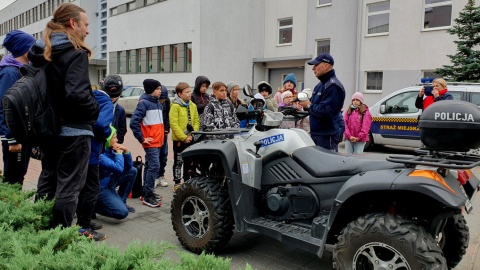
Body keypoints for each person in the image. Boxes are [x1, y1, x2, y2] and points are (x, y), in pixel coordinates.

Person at [28, 3, 100, 230]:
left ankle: (40, 233)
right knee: (69, 188)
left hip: (48, 132)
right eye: (86, 25)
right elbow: (77, 95)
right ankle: (59, 242)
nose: (87, 31)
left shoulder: (42, 54)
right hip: (74, 133)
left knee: (48, 182)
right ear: (72, 23)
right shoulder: (75, 54)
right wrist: (95, 111)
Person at [75, 76, 114, 241]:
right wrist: (108, 133)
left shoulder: (91, 95)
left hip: (82, 148)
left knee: (84, 189)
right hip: (91, 152)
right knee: (92, 189)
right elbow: (100, 125)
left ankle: (85, 222)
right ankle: (83, 228)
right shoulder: (106, 101)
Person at [0, 30, 36, 186]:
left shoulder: (22, 71)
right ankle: (10, 209)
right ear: (24, 49)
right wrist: (12, 139)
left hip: (22, 136)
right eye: (32, 47)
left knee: (19, 175)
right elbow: (5, 107)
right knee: (13, 179)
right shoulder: (10, 73)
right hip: (15, 138)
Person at [299, 53, 345, 152]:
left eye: (316, 65)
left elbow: (325, 111)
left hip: (327, 136)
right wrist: (305, 105)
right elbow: (313, 105)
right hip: (317, 134)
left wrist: (308, 105)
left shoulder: (333, 86)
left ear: (326, 66)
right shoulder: (320, 85)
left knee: (327, 166)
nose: (313, 68)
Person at [130, 79, 164, 208]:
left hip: (157, 141)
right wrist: (142, 138)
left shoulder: (158, 104)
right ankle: (148, 195)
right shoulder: (144, 104)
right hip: (151, 142)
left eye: (160, 89)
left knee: (150, 166)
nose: (160, 91)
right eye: (157, 89)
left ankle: (146, 192)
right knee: (155, 166)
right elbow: (134, 122)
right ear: (150, 90)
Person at [95, 127, 137, 219]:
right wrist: (118, 154)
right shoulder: (100, 154)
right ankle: (94, 208)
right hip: (102, 188)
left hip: (109, 181)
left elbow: (128, 167)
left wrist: (126, 152)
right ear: (107, 139)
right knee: (122, 213)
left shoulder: (110, 149)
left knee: (132, 171)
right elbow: (118, 168)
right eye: (114, 137)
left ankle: (122, 201)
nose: (117, 140)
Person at [170, 82, 200, 192]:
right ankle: (177, 182)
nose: (189, 94)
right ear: (179, 94)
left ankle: (187, 180)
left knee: (189, 161)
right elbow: (174, 124)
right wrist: (183, 137)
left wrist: (193, 134)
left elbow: (196, 121)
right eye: (186, 92)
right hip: (179, 140)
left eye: (190, 91)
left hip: (191, 138)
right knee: (178, 162)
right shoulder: (175, 106)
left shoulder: (193, 105)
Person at [103, 74, 127, 144]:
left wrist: (117, 141)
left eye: (115, 96)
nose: (113, 98)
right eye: (110, 96)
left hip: (113, 144)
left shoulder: (120, 110)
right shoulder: (98, 106)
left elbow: (122, 129)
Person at [155, 85, 170, 188]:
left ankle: (161, 175)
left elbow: (167, 116)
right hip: (155, 133)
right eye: (161, 100)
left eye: (164, 100)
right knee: (155, 156)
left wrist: (167, 128)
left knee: (164, 155)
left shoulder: (167, 102)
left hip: (163, 132)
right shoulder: (152, 103)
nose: (162, 102)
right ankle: (154, 177)